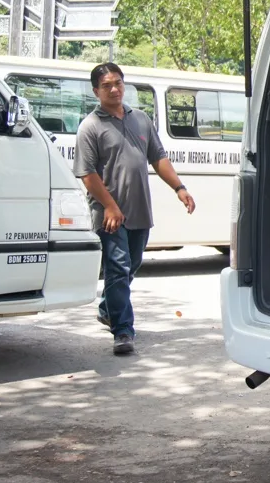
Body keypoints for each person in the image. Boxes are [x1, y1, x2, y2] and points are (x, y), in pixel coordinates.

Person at [73, 63, 196, 355]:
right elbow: (88, 175)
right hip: (109, 214)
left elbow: (159, 158)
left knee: (131, 266)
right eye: (106, 86)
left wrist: (180, 188)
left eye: (118, 83)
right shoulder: (90, 126)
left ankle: (108, 308)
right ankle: (123, 331)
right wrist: (110, 207)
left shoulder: (140, 118)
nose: (114, 89)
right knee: (118, 268)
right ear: (96, 91)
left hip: (139, 209)